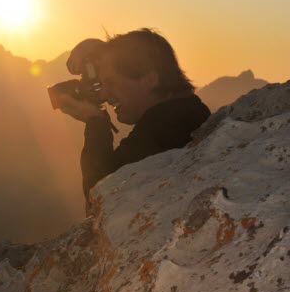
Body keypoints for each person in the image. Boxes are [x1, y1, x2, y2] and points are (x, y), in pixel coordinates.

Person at [59, 28, 210, 203]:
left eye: (110, 82)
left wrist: (95, 123)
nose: (104, 95)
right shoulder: (187, 112)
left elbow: (99, 198)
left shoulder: (164, 130)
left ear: (150, 80)